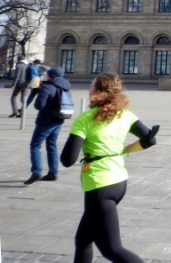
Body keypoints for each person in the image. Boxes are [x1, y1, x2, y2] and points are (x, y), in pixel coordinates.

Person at [60, 73, 158, 263]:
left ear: (97, 92)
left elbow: (67, 160)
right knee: (83, 240)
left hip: (99, 185)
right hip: (119, 182)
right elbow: (150, 139)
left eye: (91, 85)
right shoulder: (125, 114)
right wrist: (125, 150)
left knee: (112, 249)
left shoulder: (85, 118)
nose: (88, 89)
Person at [24, 66, 71, 184]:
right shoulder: (65, 87)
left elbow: (39, 105)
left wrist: (38, 92)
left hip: (45, 121)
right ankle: (53, 172)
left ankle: (36, 171)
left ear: (50, 76)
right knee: (51, 145)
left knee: (35, 145)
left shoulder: (47, 87)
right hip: (59, 120)